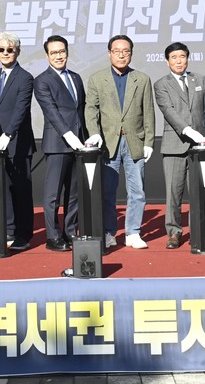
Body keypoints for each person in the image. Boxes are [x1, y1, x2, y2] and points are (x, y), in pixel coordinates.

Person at [85, 34, 155, 249]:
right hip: (108, 143)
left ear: (131, 54)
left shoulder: (142, 79)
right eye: (117, 51)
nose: (122, 55)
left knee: (137, 191)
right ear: (109, 54)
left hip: (135, 141)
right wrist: (94, 133)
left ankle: (133, 232)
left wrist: (149, 142)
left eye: (126, 51)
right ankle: (109, 232)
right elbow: (91, 110)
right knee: (107, 191)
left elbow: (148, 112)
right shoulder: (97, 79)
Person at [33, 35, 87, 252]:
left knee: (74, 193)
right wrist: (68, 135)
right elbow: (51, 112)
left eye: (61, 51)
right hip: (57, 143)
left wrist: (85, 137)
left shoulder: (75, 77)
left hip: (79, 144)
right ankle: (53, 236)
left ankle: (70, 231)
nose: (58, 56)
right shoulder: (42, 80)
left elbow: (81, 109)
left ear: (67, 52)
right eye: (53, 52)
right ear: (47, 55)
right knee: (53, 194)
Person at [153, 42, 205, 249]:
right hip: (174, 145)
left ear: (187, 58)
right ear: (167, 61)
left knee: (198, 192)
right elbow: (169, 112)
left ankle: (198, 231)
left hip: (200, 146)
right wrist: (188, 131)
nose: (179, 61)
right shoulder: (161, 84)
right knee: (173, 194)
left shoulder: (199, 79)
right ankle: (174, 232)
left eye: (182, 56)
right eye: (174, 57)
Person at [0, 32, 36, 251]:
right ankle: (9, 229)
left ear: (18, 52)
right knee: (4, 187)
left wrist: (8, 135)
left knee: (21, 190)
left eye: (10, 49)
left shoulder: (25, 77)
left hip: (17, 142)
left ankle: (24, 234)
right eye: (1, 49)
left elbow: (21, 109)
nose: (6, 53)